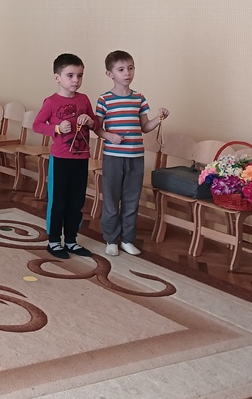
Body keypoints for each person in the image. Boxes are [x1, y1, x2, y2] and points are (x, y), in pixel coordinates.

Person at [95, 51, 168, 257]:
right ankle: (111, 239)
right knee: (111, 200)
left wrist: (158, 119)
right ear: (110, 74)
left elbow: (145, 127)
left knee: (131, 200)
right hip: (113, 158)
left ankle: (127, 239)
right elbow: (97, 128)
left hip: (136, 158)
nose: (127, 73)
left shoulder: (139, 98)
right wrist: (109, 136)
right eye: (121, 69)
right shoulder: (104, 99)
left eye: (130, 68)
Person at [33, 54, 97, 259]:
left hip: (81, 158)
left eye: (80, 75)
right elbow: (37, 125)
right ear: (57, 77)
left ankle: (71, 240)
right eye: (70, 75)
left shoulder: (84, 99)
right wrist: (57, 128)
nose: (75, 80)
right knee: (58, 202)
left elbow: (95, 123)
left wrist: (89, 121)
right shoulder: (51, 101)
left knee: (76, 201)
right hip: (60, 159)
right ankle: (54, 241)